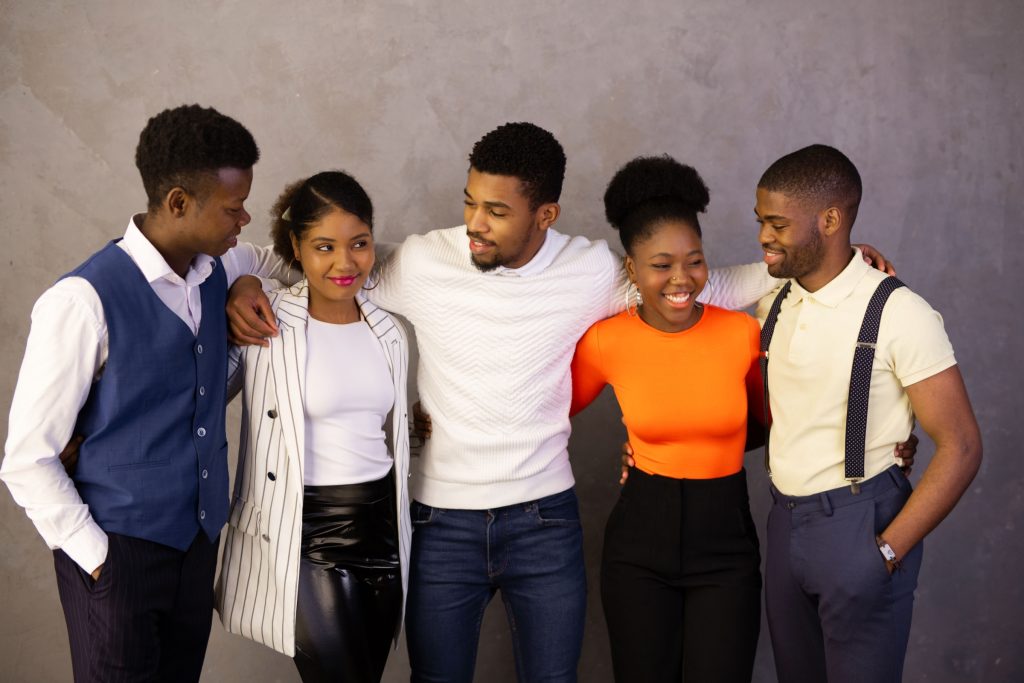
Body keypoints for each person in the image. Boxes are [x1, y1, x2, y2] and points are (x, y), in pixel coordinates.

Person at [226, 122, 894, 683]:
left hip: (543, 523)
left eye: (496, 211)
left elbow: (708, 283)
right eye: (470, 203)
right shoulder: (423, 262)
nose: (473, 224)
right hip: (440, 526)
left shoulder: (593, 271)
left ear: (545, 214)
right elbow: (319, 257)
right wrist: (245, 275)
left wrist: (833, 264)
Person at [0, 104, 292, 682]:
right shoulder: (82, 301)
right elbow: (27, 459)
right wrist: (98, 560)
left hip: (196, 542)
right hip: (117, 551)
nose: (245, 219)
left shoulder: (219, 264)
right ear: (180, 202)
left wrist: (250, 282)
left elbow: (280, 257)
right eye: (233, 208)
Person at [754, 144, 982, 683]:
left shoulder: (901, 313)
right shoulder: (773, 303)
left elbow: (964, 446)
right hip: (783, 526)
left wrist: (885, 551)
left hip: (860, 525)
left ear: (829, 219)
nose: (764, 236)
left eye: (778, 224)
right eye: (761, 221)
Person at [570, 155, 763, 683]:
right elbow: (539, 414)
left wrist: (888, 440)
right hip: (639, 545)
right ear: (631, 269)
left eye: (694, 261)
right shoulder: (607, 342)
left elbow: (769, 426)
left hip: (726, 541)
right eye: (661, 264)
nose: (682, 278)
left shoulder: (742, 334)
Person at [215, 170, 412, 683]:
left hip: (382, 527)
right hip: (306, 533)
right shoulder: (268, 320)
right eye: (324, 246)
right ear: (296, 249)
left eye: (359, 244)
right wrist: (244, 281)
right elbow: (199, 398)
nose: (345, 263)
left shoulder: (388, 328)